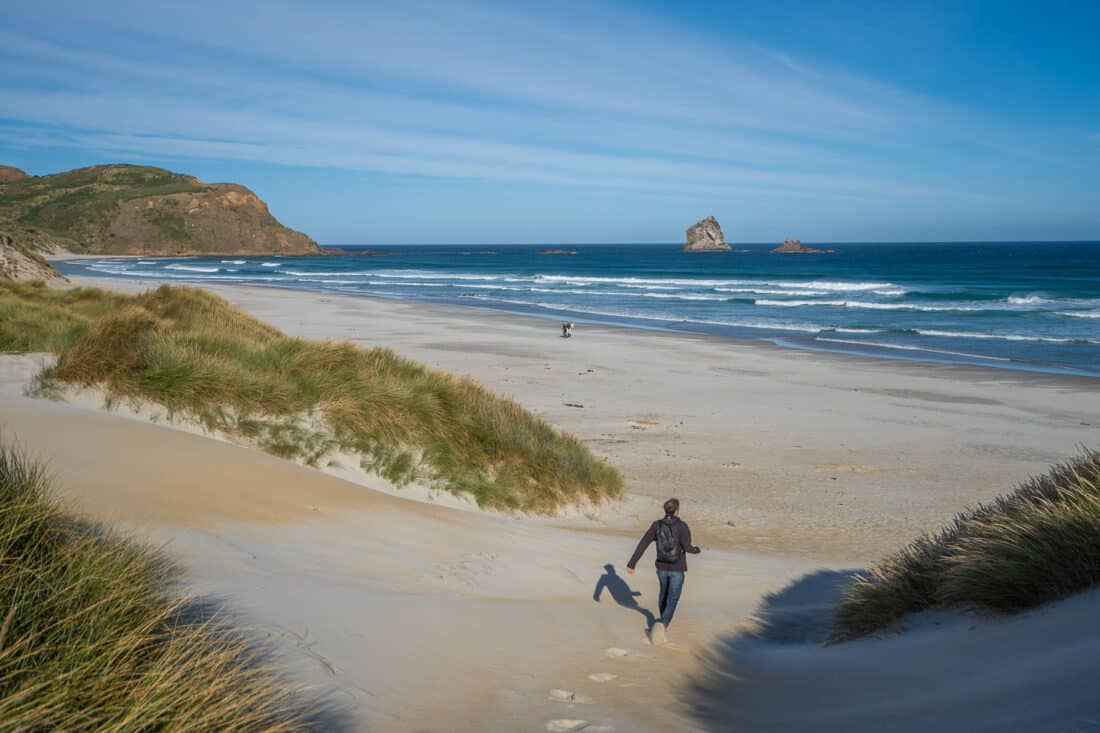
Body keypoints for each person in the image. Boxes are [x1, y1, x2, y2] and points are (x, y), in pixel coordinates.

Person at [626, 497, 700, 644]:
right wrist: (696, 550)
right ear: (677, 511)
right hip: (677, 569)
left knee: (663, 595)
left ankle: (661, 622)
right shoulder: (683, 526)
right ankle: (662, 625)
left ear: (665, 510)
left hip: (661, 568)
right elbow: (687, 547)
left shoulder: (656, 525)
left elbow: (643, 543)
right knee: (672, 599)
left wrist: (632, 563)